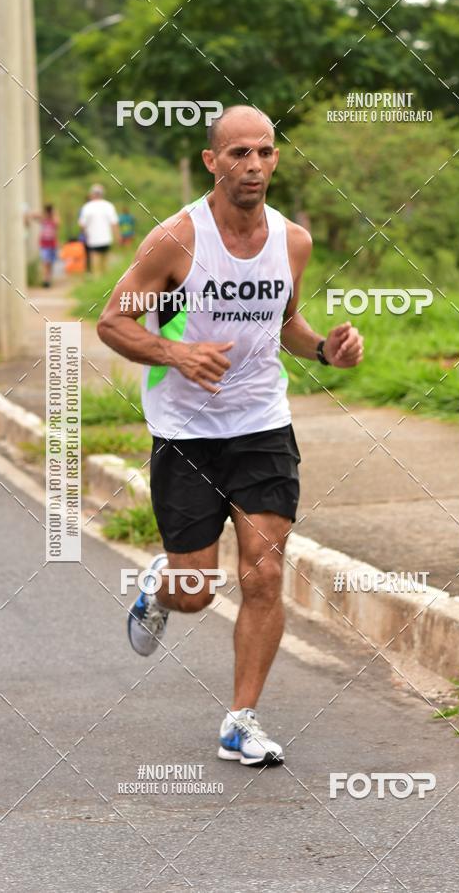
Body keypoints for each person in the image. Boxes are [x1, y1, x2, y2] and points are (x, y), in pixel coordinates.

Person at [97, 105, 363, 768]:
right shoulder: (174, 241)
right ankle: (164, 584)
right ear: (213, 161)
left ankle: (241, 720)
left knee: (265, 573)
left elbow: (288, 323)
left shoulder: (292, 241)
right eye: (239, 153)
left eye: (265, 152)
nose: (254, 165)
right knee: (195, 592)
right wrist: (176, 353)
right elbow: (111, 323)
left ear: (276, 159)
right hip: (185, 432)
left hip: (262, 426)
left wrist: (327, 351)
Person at [78, 184, 119, 276]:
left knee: (96, 268)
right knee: (106, 266)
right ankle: (106, 285)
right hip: (106, 239)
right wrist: (117, 237)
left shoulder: (87, 207)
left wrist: (85, 235)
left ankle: (97, 283)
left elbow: (82, 225)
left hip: (93, 241)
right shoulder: (108, 206)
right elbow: (114, 224)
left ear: (92, 194)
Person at [30, 204, 60, 287]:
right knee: (45, 262)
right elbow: (33, 215)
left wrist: (54, 213)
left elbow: (58, 222)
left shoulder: (54, 220)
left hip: (52, 244)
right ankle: (45, 279)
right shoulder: (44, 220)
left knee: (50, 263)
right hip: (44, 244)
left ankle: (49, 279)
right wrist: (43, 213)